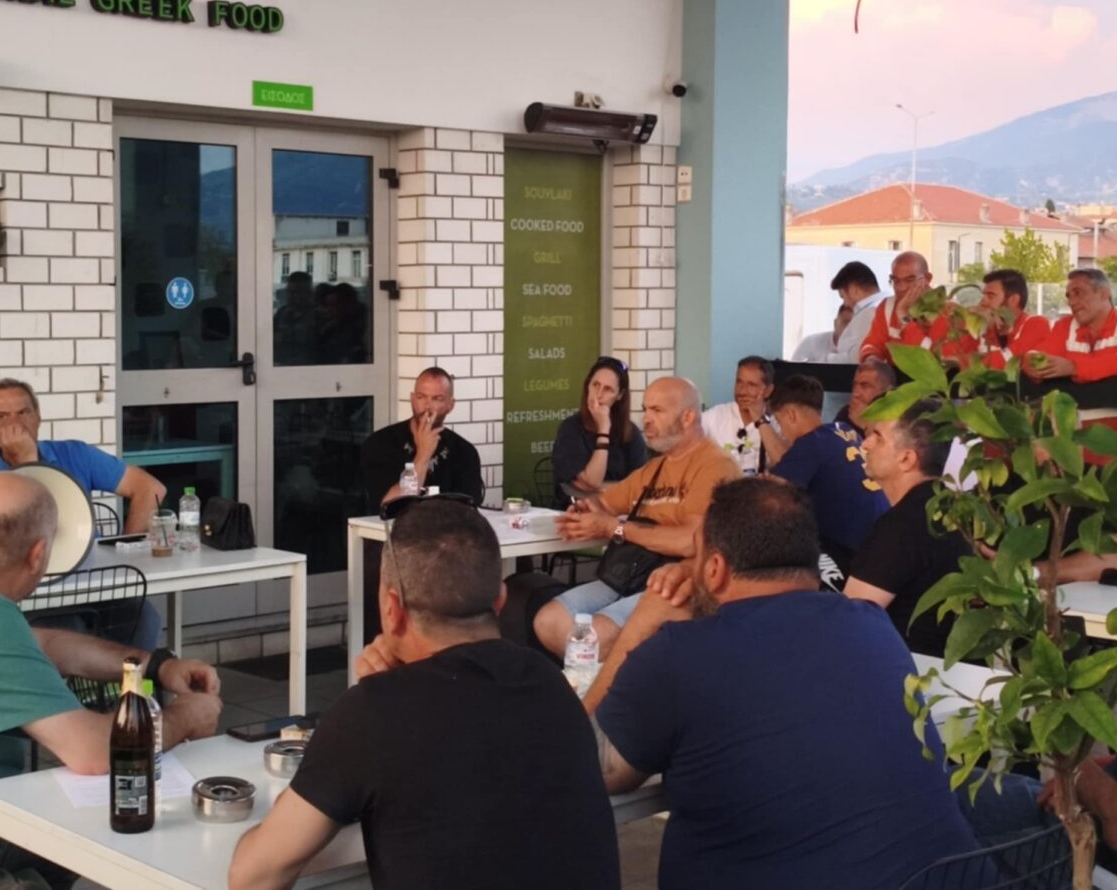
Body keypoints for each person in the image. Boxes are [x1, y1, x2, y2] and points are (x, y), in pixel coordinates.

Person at [585, 479, 981, 889]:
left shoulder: (678, 654)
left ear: (715, 569)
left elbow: (586, 766)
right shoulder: (872, 624)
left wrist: (641, 625)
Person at [228, 498, 620, 890]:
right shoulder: (551, 683)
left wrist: (379, 697)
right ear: (500, 600)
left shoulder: (372, 715)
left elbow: (253, 877)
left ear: (391, 608)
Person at [0, 473, 222, 884]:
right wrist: (187, 716)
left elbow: (45, 644)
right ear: (38, 555)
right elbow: (93, 751)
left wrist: (156, 665)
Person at [533, 377, 741, 658]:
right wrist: (583, 512)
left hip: (678, 582)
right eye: (645, 409)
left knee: (594, 638)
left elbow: (690, 541)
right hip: (630, 574)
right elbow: (603, 504)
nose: (646, 419)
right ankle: (597, 676)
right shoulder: (654, 468)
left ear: (688, 416)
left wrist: (615, 528)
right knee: (547, 621)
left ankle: (604, 679)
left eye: (657, 410)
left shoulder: (716, 466)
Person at [843, 398, 971, 657]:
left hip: (906, 667)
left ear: (906, 459)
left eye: (878, 437)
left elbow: (848, 622)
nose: (865, 444)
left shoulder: (902, 526)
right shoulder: (954, 510)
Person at [0, 378, 166, 534]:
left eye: (23, 412)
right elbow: (41, 536)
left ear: (38, 417)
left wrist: (126, 545)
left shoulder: (76, 454)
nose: (15, 423)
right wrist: (26, 460)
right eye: (2, 416)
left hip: (93, 565)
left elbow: (151, 488)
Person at [768, 374, 889, 577]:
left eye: (779, 423)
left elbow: (770, 496)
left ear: (791, 415)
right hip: (881, 536)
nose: (781, 433)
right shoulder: (844, 430)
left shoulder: (808, 444)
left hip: (852, 552)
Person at [361, 367, 483, 509]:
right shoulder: (380, 443)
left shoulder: (464, 451)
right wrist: (423, 454)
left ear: (450, 405)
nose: (427, 406)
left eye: (437, 399)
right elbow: (389, 506)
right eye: (421, 397)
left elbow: (469, 509)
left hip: (446, 522)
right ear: (412, 399)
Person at [551, 355, 647, 507]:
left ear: (620, 395)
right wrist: (603, 430)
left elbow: (641, 485)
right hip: (576, 511)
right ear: (587, 386)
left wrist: (601, 488)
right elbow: (592, 481)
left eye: (608, 389)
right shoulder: (571, 428)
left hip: (621, 512)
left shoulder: (630, 432)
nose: (599, 394)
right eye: (595, 385)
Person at [1028, 268, 1117, 384]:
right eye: (1069, 296)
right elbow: (1037, 355)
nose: (1071, 302)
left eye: (1078, 293)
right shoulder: (1065, 326)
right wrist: (1030, 361)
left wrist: (1073, 367)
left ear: (1103, 294)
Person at [948, 268, 1049, 369]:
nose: (983, 302)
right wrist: (968, 319)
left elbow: (1006, 361)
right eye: (983, 296)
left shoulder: (1037, 324)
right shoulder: (981, 326)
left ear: (1013, 300)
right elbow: (954, 357)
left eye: (991, 296)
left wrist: (965, 361)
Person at [699, 355, 785, 474]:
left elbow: (785, 464)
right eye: (739, 382)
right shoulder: (716, 415)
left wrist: (760, 419)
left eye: (752, 385)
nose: (742, 391)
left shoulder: (779, 423)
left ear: (768, 391)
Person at [860, 251, 945, 362]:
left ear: (927, 279)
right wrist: (872, 360)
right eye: (896, 280)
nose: (901, 288)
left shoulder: (948, 311)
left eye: (910, 280)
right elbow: (872, 344)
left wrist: (903, 315)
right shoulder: (887, 306)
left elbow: (930, 360)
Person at [827, 260, 888, 363]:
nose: (845, 304)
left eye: (843, 296)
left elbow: (859, 357)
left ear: (853, 290)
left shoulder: (870, 313)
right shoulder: (886, 306)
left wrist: (829, 359)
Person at [834, 357, 896, 438]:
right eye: (854, 385)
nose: (855, 393)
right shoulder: (846, 413)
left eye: (865, 386)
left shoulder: (898, 420)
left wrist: (864, 426)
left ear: (887, 391)